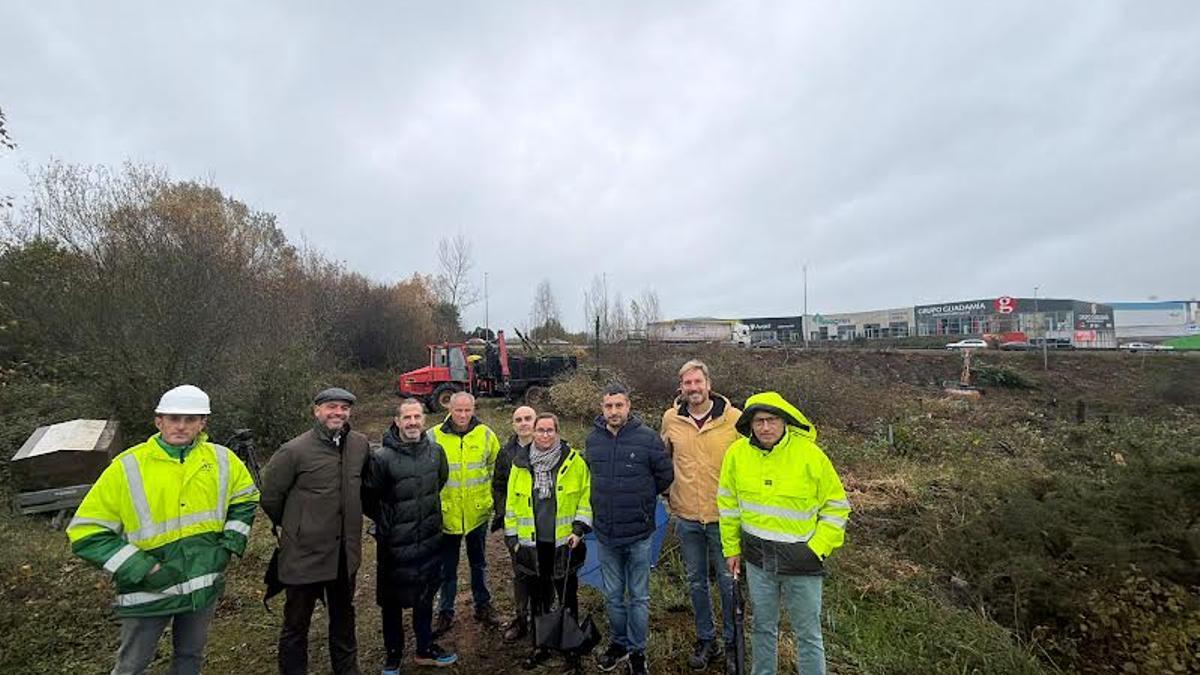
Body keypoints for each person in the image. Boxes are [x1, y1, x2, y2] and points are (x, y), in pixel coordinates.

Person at [67, 384, 259, 675]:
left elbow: (245, 498)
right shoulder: (127, 466)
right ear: (159, 421)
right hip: (149, 590)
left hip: (202, 585)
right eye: (173, 418)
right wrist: (143, 568)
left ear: (202, 423)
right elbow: (86, 532)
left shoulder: (222, 460)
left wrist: (229, 544)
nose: (181, 426)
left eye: (190, 419)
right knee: (132, 666)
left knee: (190, 657)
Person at [718, 392, 852, 675]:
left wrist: (817, 548)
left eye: (772, 420)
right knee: (762, 627)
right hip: (758, 561)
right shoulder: (737, 454)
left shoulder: (810, 456)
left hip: (801, 561)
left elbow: (837, 507)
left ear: (785, 422)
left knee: (808, 634)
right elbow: (728, 505)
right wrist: (732, 549)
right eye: (759, 421)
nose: (765, 427)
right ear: (750, 424)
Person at [260, 387, 370, 675]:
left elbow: (366, 490)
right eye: (331, 407)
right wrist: (299, 526)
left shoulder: (359, 445)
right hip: (303, 555)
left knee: (344, 620)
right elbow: (271, 497)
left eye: (344, 408)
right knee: (296, 624)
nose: (338, 413)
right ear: (317, 411)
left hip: (344, 554)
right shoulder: (294, 451)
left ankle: (347, 670)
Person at [363, 398, 458, 674]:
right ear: (397, 421)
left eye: (417, 417)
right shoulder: (381, 458)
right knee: (392, 603)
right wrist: (388, 523)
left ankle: (424, 648)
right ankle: (393, 655)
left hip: (429, 539)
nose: (413, 422)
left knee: (426, 596)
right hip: (395, 545)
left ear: (424, 420)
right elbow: (369, 498)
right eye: (407, 417)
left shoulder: (435, 452)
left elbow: (439, 482)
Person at [585, 383, 674, 675]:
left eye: (619, 405)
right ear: (602, 408)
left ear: (628, 406)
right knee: (612, 595)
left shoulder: (648, 438)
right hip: (606, 534)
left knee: (638, 596)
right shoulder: (593, 440)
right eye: (608, 406)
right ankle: (619, 644)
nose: (613, 411)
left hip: (638, 533)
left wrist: (640, 504)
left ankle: (637, 651)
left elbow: (664, 477)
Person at [660, 360, 742, 672]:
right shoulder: (671, 419)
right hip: (687, 517)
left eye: (698, 382)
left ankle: (733, 642)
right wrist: (666, 491)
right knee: (695, 581)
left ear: (708, 384)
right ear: (681, 387)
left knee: (727, 581)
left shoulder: (733, 419)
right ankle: (706, 638)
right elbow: (662, 458)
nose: (693, 389)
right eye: (687, 384)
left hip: (724, 518)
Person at [504, 412, 592, 670]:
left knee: (567, 596)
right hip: (531, 544)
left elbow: (585, 498)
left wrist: (578, 529)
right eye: (540, 430)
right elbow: (511, 503)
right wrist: (512, 540)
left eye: (549, 430)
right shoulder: (519, 464)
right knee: (538, 597)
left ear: (557, 431)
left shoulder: (573, 461)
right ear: (532, 432)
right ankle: (540, 645)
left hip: (564, 542)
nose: (544, 435)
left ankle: (571, 647)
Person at [430, 391, 502, 636]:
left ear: (474, 409)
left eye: (467, 410)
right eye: (458, 410)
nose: (462, 415)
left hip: (477, 514)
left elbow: (496, 469)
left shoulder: (486, 435)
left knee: (479, 563)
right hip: (446, 515)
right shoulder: (433, 436)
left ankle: (483, 604)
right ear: (449, 408)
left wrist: (491, 500)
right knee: (446, 568)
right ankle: (445, 611)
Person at [492, 404, 538, 643]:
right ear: (513, 424)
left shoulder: (550, 448)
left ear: (536, 420)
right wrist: (503, 513)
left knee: (545, 573)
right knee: (520, 573)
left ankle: (543, 620)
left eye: (528, 418)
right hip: (517, 527)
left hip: (543, 525)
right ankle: (521, 618)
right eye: (518, 419)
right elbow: (498, 485)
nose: (523, 423)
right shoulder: (505, 452)